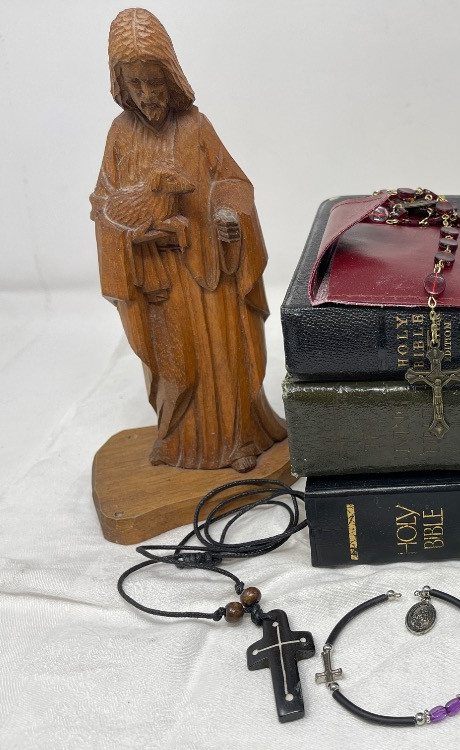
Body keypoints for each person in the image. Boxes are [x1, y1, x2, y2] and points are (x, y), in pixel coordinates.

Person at [90, 8, 285, 472]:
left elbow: (233, 183)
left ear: (171, 76)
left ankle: (238, 440)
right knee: (174, 364)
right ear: (121, 85)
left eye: (154, 82)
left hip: (207, 270)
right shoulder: (120, 134)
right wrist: (127, 232)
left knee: (223, 356)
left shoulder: (196, 127)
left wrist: (227, 217)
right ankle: (175, 439)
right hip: (157, 279)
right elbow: (103, 203)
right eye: (136, 84)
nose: (147, 95)